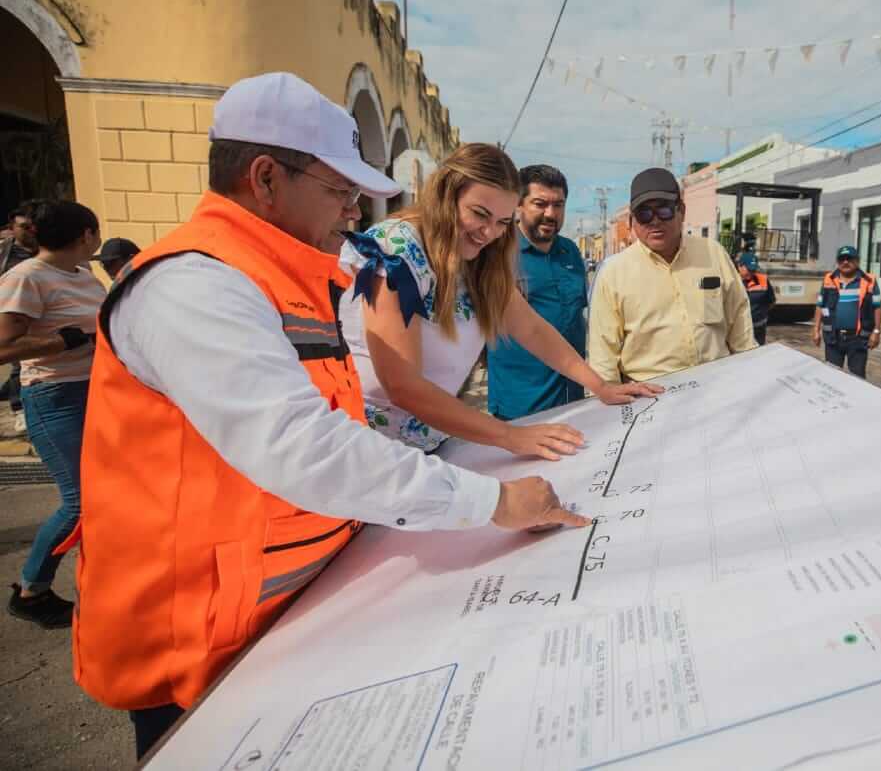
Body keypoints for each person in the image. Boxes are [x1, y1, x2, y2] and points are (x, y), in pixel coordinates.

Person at [64, 73, 589, 761]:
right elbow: (302, 446)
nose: (352, 212)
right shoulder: (194, 285)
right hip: (196, 641)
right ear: (265, 177)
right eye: (339, 191)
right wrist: (491, 499)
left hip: (275, 616)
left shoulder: (287, 272)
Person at [339, 145, 659, 462]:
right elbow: (401, 384)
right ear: (446, 195)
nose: (489, 232)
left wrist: (600, 386)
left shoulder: (482, 258)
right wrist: (510, 436)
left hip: (432, 450)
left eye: (504, 222)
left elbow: (531, 329)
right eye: (479, 214)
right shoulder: (397, 249)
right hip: (365, 453)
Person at [0, 201, 106, 628]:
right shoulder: (26, 278)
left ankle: (103, 585)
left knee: (106, 499)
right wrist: (60, 343)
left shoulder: (84, 276)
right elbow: (3, 347)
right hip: (54, 398)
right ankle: (31, 591)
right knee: (79, 503)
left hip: (95, 395)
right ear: (86, 234)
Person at [589, 167, 756, 382]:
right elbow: (603, 353)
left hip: (716, 387)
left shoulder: (713, 254)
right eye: (644, 213)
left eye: (664, 210)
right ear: (632, 220)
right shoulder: (614, 273)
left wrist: (751, 375)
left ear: (682, 211)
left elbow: (739, 322)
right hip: (649, 397)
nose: (655, 220)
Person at [486, 164, 590, 420]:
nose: (550, 213)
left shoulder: (571, 252)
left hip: (572, 400)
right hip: (521, 408)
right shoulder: (497, 254)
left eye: (558, 205)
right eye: (540, 204)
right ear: (518, 205)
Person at [812, 245, 881, 378]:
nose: (845, 262)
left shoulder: (869, 280)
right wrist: (816, 329)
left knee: (857, 378)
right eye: (841, 259)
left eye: (849, 259)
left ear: (857, 261)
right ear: (837, 262)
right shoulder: (829, 279)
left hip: (858, 339)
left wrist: (876, 332)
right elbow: (820, 305)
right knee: (831, 376)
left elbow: (877, 306)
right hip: (833, 338)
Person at [0, 203, 39, 427]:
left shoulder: (43, 250)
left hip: (37, 314)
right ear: (12, 227)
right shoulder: (4, 253)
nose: (29, 231)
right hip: (12, 314)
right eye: (23, 227)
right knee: (17, 364)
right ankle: (19, 410)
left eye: (32, 226)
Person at [738, 254, 776, 345]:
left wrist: (760, 315)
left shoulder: (763, 279)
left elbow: (771, 301)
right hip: (738, 330)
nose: (752, 273)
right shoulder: (732, 281)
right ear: (740, 266)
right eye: (749, 270)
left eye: (753, 270)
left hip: (758, 329)